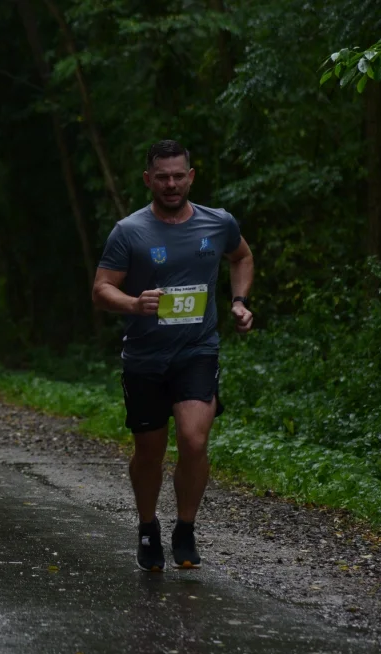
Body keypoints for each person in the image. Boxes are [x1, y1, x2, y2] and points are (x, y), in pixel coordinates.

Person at [92, 139, 254, 572]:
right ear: (148, 179)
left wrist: (238, 301)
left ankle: (186, 526)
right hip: (145, 357)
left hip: (197, 350)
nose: (170, 184)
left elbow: (242, 256)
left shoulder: (217, 223)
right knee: (149, 451)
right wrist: (132, 303)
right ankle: (148, 527)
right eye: (161, 176)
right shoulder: (129, 231)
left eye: (178, 175)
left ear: (191, 177)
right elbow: (101, 288)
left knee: (194, 439)